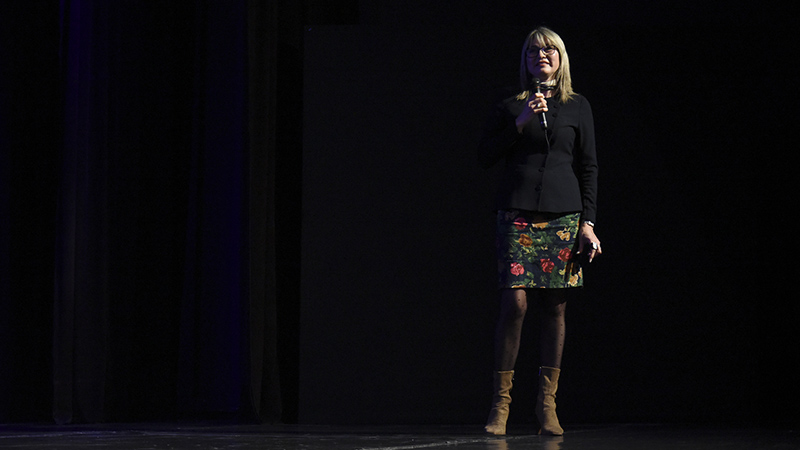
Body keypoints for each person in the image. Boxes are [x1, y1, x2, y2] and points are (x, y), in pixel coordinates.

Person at [478, 26, 601, 436]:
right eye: (534, 51)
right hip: (516, 214)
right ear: (526, 60)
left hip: (564, 216)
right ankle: (501, 405)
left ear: (561, 58)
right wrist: (523, 120)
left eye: (549, 50)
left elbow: (588, 167)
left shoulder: (577, 105)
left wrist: (588, 223)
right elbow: (484, 155)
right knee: (515, 304)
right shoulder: (511, 104)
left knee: (555, 309)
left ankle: (547, 403)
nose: (542, 55)